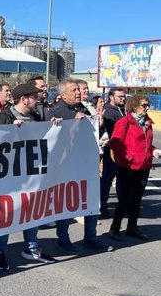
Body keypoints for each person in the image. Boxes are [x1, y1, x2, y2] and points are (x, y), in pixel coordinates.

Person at [0, 83, 59, 270]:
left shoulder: (36, 117)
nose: (38, 100)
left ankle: (31, 247)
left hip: (31, 174)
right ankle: (0, 250)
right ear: (24, 99)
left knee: (32, 210)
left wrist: (54, 128)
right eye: (35, 97)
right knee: (6, 213)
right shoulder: (4, 117)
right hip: (8, 177)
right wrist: (10, 132)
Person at [49, 79, 111, 253]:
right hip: (66, 166)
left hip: (86, 163)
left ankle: (90, 237)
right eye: (74, 90)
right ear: (63, 94)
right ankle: (63, 239)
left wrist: (97, 121)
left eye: (79, 89)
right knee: (67, 203)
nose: (79, 92)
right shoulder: (56, 111)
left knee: (91, 200)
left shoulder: (81, 108)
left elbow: (91, 132)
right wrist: (72, 121)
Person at [108, 95, 161, 241]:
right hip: (128, 166)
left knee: (137, 199)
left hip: (144, 166)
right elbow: (115, 143)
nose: (147, 107)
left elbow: (147, 145)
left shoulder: (147, 123)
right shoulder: (124, 122)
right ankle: (115, 228)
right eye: (144, 105)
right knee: (124, 199)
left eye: (147, 105)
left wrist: (153, 150)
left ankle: (132, 227)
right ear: (134, 106)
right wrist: (129, 157)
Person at [100, 87, 126, 217]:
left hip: (123, 151)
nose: (123, 98)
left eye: (123, 96)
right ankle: (102, 206)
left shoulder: (123, 110)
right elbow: (112, 133)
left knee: (122, 179)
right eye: (119, 96)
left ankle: (123, 205)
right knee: (107, 178)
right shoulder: (109, 112)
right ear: (111, 97)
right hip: (112, 150)